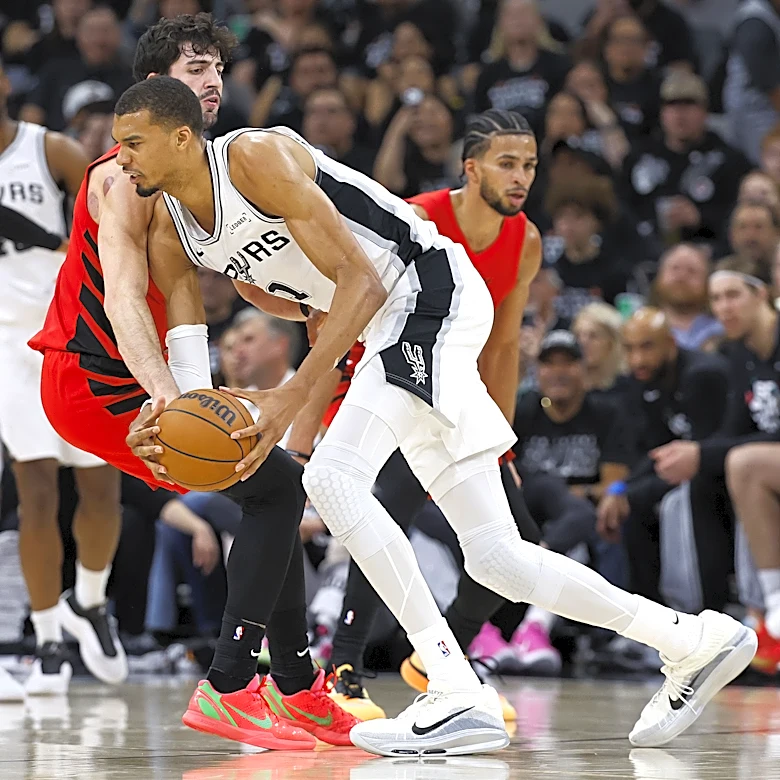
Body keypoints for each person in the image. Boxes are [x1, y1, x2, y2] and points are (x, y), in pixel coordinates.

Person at [114, 75, 756, 756]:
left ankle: (453, 687)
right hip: (394, 320)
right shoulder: (180, 224)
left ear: (182, 136)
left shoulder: (252, 157)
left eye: (132, 143)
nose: (120, 159)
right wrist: (176, 412)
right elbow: (298, 306)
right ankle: (694, 640)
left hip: (425, 290)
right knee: (498, 557)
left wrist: (290, 398)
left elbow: (362, 279)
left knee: (332, 479)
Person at [29, 16, 357, 750]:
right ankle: (236, 683)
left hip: (126, 378)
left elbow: (190, 293)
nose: (213, 81)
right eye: (197, 67)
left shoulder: (191, 170)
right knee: (273, 487)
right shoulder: (122, 174)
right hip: (96, 378)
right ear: (154, 90)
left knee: (269, 483)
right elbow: (121, 294)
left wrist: (212, 374)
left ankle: (297, 691)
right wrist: (169, 398)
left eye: (216, 68)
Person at [293, 108, 545, 721]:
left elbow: (504, 347)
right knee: (389, 511)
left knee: (521, 541)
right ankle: (343, 670)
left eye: (530, 166)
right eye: (506, 164)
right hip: (385, 375)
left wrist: (501, 444)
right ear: (471, 167)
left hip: (455, 392)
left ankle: (442, 656)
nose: (520, 178)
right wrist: (335, 388)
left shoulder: (526, 240)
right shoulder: (422, 215)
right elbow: (341, 298)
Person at [0, 57, 127, 695]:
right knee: (37, 495)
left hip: (71, 335)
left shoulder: (48, 151)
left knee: (101, 486)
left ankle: (93, 602)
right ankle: (48, 638)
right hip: (7, 348)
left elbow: (105, 228)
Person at [650, 243, 723, 352]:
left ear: (707, 281)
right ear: (659, 276)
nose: (681, 276)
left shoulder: (724, 329)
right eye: (675, 268)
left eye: (692, 271)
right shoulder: (640, 328)